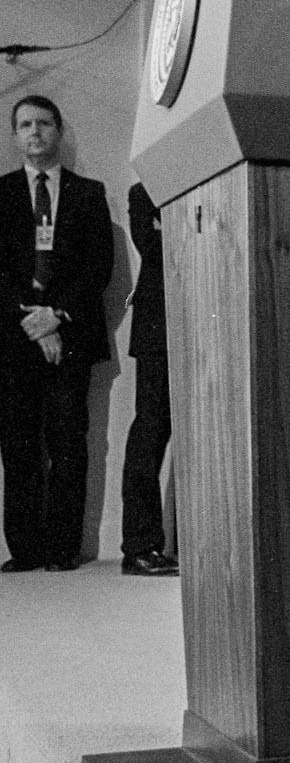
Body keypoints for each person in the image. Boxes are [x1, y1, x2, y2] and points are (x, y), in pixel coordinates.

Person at [0, 95, 113, 573]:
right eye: (24, 125)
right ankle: (24, 550)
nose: (35, 132)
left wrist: (57, 316)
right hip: (13, 342)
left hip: (71, 338)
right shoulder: (0, 193)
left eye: (43, 123)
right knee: (19, 444)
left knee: (69, 442)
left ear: (59, 130)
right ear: (13, 135)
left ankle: (63, 549)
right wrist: (32, 321)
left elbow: (98, 269)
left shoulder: (90, 193)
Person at [118, 182, 178, 575]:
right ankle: (139, 546)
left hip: (208, 312)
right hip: (159, 326)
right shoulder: (144, 191)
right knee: (151, 430)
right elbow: (157, 252)